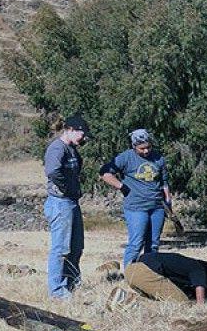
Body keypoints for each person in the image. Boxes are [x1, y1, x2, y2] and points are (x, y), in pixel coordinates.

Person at [100, 128, 172, 266]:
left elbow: (164, 182)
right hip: (136, 208)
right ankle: (130, 273)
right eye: (142, 148)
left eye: (148, 147)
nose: (146, 151)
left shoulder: (159, 158)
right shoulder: (125, 158)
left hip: (157, 207)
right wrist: (122, 187)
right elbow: (105, 173)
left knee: (153, 244)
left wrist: (168, 201)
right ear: (134, 146)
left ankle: (150, 273)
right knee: (136, 243)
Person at [43, 114, 90, 300]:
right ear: (70, 130)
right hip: (60, 203)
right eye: (81, 134)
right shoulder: (57, 148)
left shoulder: (72, 149)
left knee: (76, 247)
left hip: (72, 202)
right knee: (61, 249)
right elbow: (53, 172)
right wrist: (67, 187)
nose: (83, 138)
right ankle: (57, 291)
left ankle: (72, 283)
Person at [121, 252, 207, 304]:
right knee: (182, 303)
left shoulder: (184, 263)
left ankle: (124, 298)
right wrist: (201, 306)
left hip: (131, 271)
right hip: (145, 272)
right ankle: (127, 300)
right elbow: (199, 285)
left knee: (159, 298)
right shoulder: (199, 268)